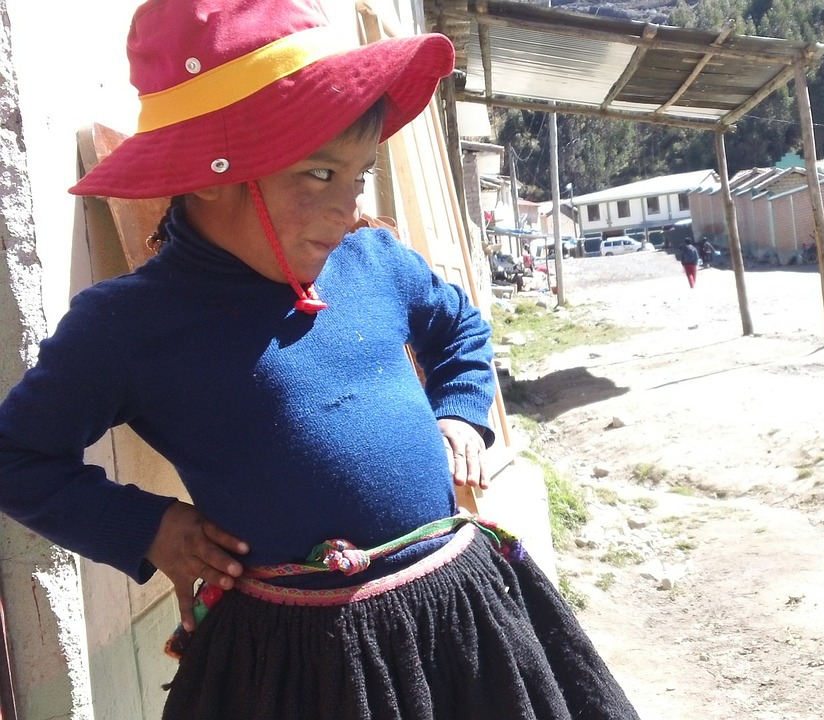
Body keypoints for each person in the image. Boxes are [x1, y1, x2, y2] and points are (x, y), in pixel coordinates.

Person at [0, 1, 639, 718]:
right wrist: (150, 529)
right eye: (318, 174)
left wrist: (461, 415)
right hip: (303, 670)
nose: (347, 207)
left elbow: (459, 330)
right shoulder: (131, 324)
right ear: (210, 174)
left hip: (463, 624)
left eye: (357, 176)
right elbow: (17, 454)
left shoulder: (375, 263)